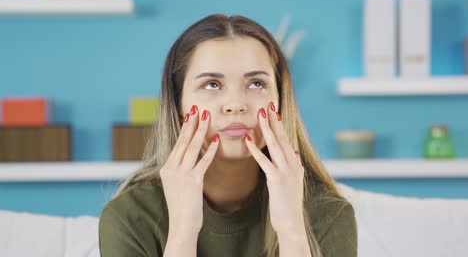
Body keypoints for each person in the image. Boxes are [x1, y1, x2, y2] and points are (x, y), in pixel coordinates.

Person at [99, 14, 357, 257]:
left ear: (279, 101)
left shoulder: (329, 214)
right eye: (211, 84)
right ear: (179, 107)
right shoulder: (129, 217)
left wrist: (292, 231)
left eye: (256, 83)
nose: (235, 104)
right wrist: (182, 233)